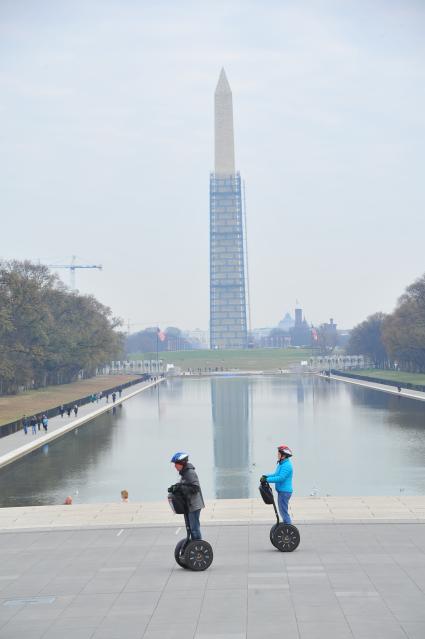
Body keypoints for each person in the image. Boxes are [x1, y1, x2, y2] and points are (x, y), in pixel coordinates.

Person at [168, 452, 205, 540]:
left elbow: (195, 488)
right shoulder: (184, 473)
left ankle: (198, 546)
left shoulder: (190, 473)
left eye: (176, 464)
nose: (175, 466)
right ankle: (193, 545)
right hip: (189, 505)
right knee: (191, 529)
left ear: (182, 463)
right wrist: (176, 487)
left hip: (194, 505)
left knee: (194, 529)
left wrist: (181, 487)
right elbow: (185, 485)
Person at [261, 444, 293, 524]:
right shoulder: (282, 464)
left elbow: (280, 478)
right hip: (282, 492)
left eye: (279, 454)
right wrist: (266, 476)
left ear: (284, 455)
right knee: (282, 511)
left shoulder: (287, 466)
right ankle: (286, 526)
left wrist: (267, 480)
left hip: (285, 492)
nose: (277, 455)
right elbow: (276, 474)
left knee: (283, 512)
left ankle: (288, 528)